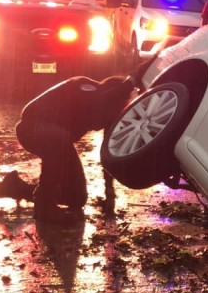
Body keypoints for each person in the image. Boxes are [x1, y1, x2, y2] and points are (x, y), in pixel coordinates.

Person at [12, 74, 139, 223]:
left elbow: (107, 151)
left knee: (77, 198)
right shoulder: (84, 86)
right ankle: (44, 205)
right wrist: (129, 84)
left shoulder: (110, 112)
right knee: (59, 138)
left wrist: (109, 191)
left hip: (60, 142)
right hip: (32, 128)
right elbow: (98, 100)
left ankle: (17, 187)